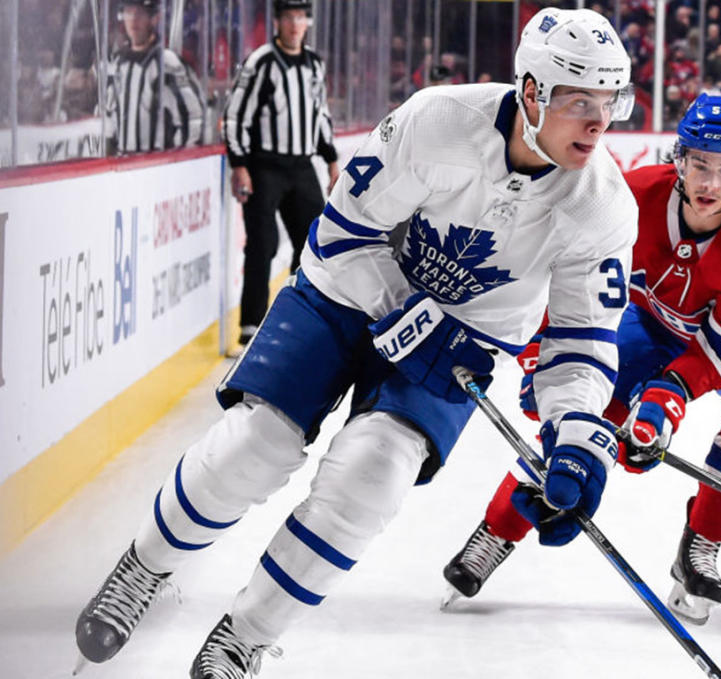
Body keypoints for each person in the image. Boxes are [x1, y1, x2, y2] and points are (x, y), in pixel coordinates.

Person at [73, 7, 637, 677]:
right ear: (532, 92)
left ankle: (244, 636)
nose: (600, 120)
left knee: (374, 475)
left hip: (455, 349)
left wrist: (575, 436)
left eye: (611, 100)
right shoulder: (437, 122)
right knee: (256, 444)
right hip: (344, 297)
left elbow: (580, 343)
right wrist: (404, 309)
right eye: (580, 101)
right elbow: (343, 230)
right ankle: (144, 565)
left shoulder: (601, 204)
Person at [440, 94, 721, 625]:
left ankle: (701, 545)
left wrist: (669, 396)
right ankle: (498, 530)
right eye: (700, 165)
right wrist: (541, 359)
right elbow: (565, 281)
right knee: (587, 413)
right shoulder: (631, 198)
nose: (711, 184)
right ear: (679, 160)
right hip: (660, 319)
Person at [226, 0, 341, 347]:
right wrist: (239, 164)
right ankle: (251, 327)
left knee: (314, 241)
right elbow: (235, 114)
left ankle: (296, 321)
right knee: (262, 244)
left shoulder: (314, 64)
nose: (295, 24)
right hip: (264, 165)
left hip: (301, 165)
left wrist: (332, 160)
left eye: (301, 18)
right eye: (288, 18)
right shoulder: (261, 62)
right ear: (277, 22)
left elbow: (320, 115)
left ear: (308, 22)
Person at [103, 0, 205, 154]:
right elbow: (109, 116)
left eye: (140, 13)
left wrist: (176, 162)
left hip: (156, 170)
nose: (133, 19)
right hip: (123, 169)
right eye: (129, 12)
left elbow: (193, 119)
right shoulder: (117, 64)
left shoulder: (167, 63)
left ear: (155, 18)